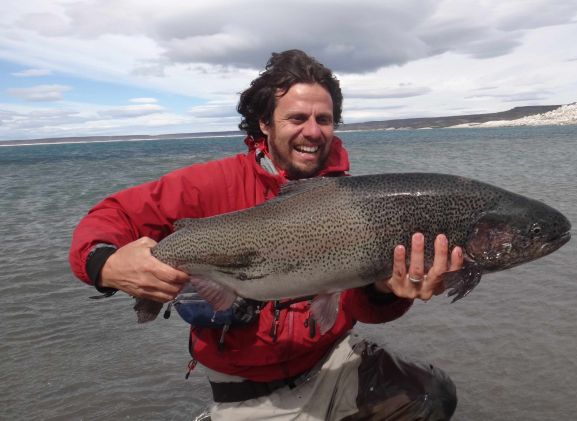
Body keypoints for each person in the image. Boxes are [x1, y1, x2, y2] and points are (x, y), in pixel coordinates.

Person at [69, 49, 462, 420]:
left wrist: (383, 291)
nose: (313, 132)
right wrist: (104, 263)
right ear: (264, 122)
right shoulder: (209, 184)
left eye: (323, 120)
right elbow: (109, 215)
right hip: (248, 389)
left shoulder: (351, 197)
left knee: (435, 394)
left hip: (333, 361)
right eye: (297, 119)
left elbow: (361, 308)